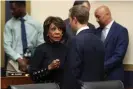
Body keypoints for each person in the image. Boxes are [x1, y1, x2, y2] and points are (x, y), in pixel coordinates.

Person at [62, 5, 105, 89]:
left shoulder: (75, 41)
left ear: (74, 20)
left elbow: (72, 72)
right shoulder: (99, 40)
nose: (69, 23)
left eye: (70, 20)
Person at [4, 1, 44, 73]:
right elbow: (6, 46)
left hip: (32, 63)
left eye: (14, 9)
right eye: (10, 9)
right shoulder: (9, 25)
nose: (11, 11)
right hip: (13, 64)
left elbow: (41, 45)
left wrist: (27, 58)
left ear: (22, 7)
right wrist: (19, 59)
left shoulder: (37, 24)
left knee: (30, 84)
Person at [95, 5, 129, 82]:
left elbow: (118, 56)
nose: (97, 20)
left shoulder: (121, 31)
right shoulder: (96, 32)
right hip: (97, 78)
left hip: (114, 77)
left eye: (98, 16)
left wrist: (101, 67)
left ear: (107, 14)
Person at [29, 16, 67, 86]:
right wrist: (49, 68)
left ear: (62, 33)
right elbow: (33, 76)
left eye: (60, 29)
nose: (57, 32)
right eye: (53, 29)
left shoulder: (66, 49)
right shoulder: (40, 49)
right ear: (47, 32)